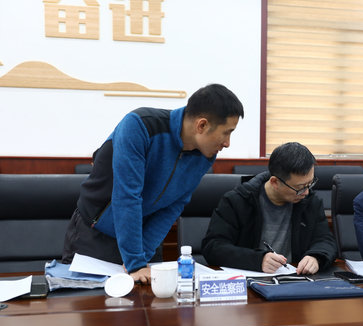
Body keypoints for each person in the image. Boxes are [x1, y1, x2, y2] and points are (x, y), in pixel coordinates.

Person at [62, 84, 244, 283]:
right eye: (227, 132)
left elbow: (174, 205)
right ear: (201, 125)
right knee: (87, 299)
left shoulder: (205, 154)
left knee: (147, 300)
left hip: (143, 241)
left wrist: (142, 255)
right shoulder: (140, 126)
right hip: (95, 234)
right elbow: (127, 196)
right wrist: (135, 262)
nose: (227, 143)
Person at [202, 142, 336, 274]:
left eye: (310, 184)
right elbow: (213, 247)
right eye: (300, 188)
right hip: (251, 280)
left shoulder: (309, 202)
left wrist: (316, 257)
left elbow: (326, 240)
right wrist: (258, 260)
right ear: (275, 182)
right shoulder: (238, 201)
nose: (306, 192)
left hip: (296, 278)